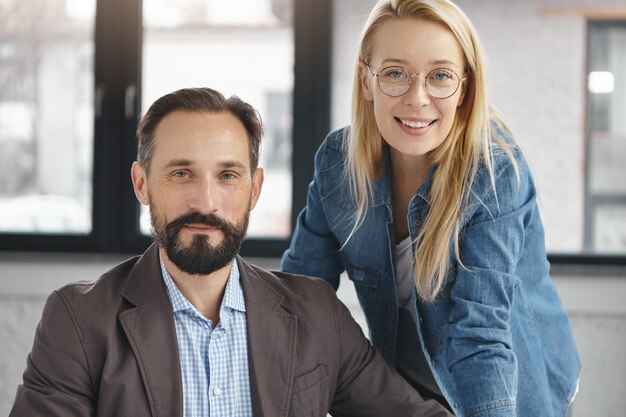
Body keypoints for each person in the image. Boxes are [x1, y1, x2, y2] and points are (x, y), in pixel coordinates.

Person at [9, 87, 454, 417]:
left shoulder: (318, 313)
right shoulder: (78, 321)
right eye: (181, 174)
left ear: (254, 188)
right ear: (141, 183)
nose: (205, 201)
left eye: (227, 176)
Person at [281, 0, 580, 416]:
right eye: (395, 74)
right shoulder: (337, 164)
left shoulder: (494, 174)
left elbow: (479, 337)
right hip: (413, 394)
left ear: (465, 87)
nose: (417, 98)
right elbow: (300, 294)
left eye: (440, 76)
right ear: (366, 81)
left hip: (514, 391)